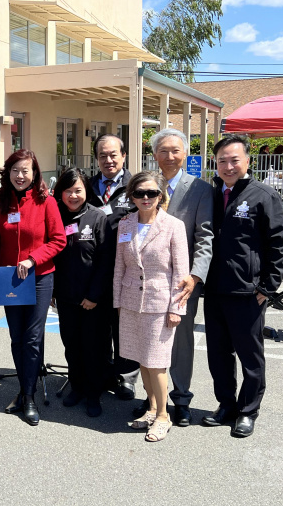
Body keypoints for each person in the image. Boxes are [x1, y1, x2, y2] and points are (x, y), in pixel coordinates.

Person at [203, 136, 283, 438]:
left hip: (248, 292)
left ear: (248, 161)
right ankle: (226, 405)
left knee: (250, 357)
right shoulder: (212, 194)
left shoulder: (264, 195)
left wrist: (268, 286)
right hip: (214, 289)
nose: (228, 166)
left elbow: (278, 242)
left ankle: (248, 411)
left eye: (234, 160)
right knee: (218, 354)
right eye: (222, 161)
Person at [140, 129, 214, 427]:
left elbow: (205, 237)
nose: (169, 156)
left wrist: (195, 276)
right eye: (163, 151)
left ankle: (181, 399)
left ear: (185, 154)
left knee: (181, 340)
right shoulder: (147, 184)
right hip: (149, 280)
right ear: (154, 155)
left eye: (175, 150)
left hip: (183, 282)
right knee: (149, 340)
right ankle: (153, 401)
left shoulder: (200, 189)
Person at [113, 171, 189, 442]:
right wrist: (118, 302)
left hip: (160, 304)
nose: (145, 198)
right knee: (141, 359)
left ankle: (163, 416)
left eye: (152, 193)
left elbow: (181, 272)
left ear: (160, 195)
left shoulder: (173, 226)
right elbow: (119, 267)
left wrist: (176, 309)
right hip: (131, 302)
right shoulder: (125, 224)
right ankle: (152, 409)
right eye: (139, 193)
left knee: (156, 363)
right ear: (131, 196)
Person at [0, 149, 66, 426]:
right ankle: (24, 390)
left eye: (25, 170)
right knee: (16, 337)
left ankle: (29, 396)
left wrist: (33, 259)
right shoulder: (0, 202)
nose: (20, 175)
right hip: (10, 279)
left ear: (35, 173)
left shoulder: (46, 201)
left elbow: (58, 240)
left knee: (33, 338)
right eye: (15, 170)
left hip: (39, 277)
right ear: (8, 173)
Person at [52, 168, 113, 417]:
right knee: (72, 345)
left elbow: (106, 261)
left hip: (93, 300)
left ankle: (93, 393)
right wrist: (53, 291)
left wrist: (94, 295)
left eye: (78, 190)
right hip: (66, 296)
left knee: (93, 347)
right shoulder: (55, 215)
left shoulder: (98, 218)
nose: (73, 196)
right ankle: (76, 387)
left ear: (86, 190)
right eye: (68, 191)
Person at [86, 134, 137, 401]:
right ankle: (105, 372)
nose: (108, 160)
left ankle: (127, 378)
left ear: (123, 156)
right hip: (94, 270)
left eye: (113, 154)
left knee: (124, 326)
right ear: (96, 158)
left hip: (126, 268)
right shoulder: (87, 186)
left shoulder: (135, 186)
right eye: (102, 155)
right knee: (98, 326)